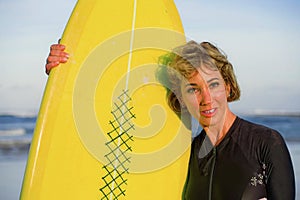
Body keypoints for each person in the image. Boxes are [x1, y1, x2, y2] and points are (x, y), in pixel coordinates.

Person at [45, 41, 295, 200]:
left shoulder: (265, 143)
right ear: (181, 98)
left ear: (228, 87)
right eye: (193, 89)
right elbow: (108, 113)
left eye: (214, 84)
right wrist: (66, 71)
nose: (206, 99)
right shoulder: (180, 156)